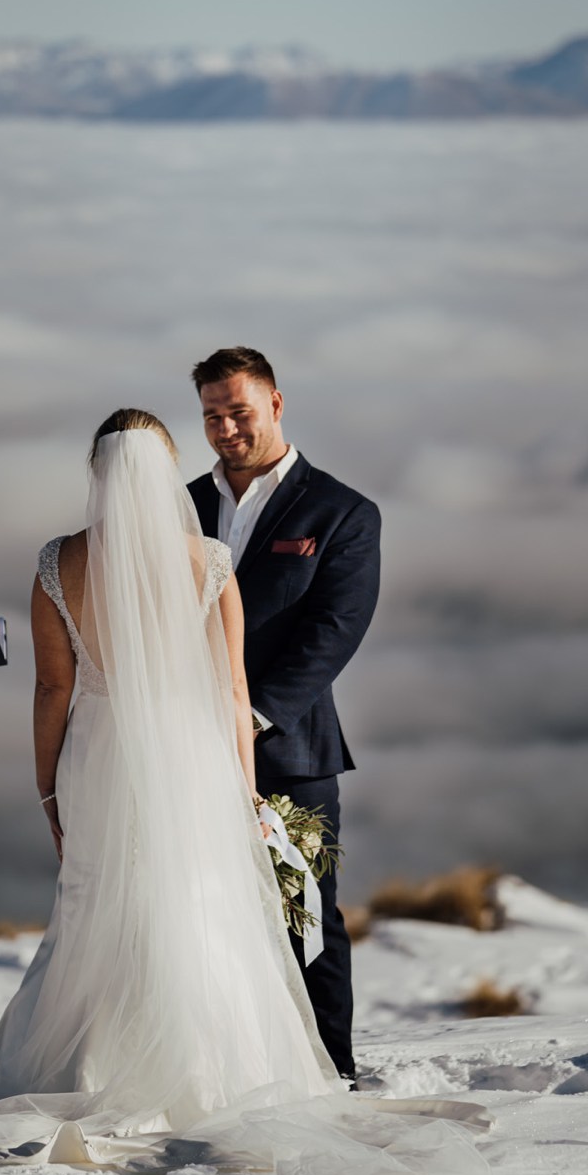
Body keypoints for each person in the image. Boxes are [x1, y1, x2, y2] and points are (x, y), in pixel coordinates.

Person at [0, 409, 486, 1175]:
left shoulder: (59, 562)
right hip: (192, 754)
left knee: (100, 902)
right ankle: (211, 1068)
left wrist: (48, 786)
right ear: (166, 475)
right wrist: (242, 793)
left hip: (97, 755)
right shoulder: (209, 561)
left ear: (96, 473)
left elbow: (52, 690)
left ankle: (86, 1064)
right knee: (196, 905)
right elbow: (233, 692)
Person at [187, 346, 380, 1084]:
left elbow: (335, 630)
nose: (227, 429)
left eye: (239, 412)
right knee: (202, 917)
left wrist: (253, 716)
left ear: (275, 403)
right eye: (212, 416)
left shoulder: (342, 511)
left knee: (306, 917)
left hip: (291, 752)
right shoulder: (181, 505)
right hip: (186, 746)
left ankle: (331, 1071)